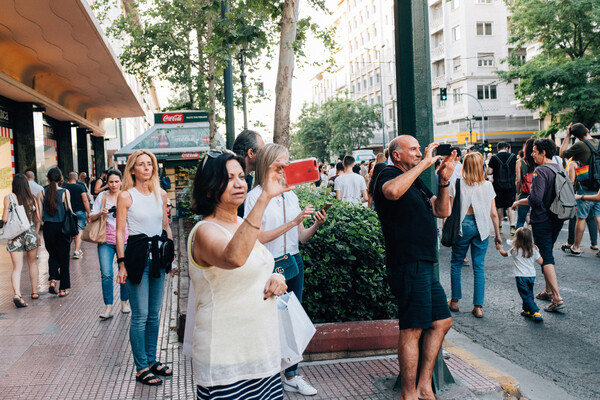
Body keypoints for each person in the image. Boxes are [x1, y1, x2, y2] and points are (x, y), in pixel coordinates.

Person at [188, 149, 289, 399]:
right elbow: (233, 258)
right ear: (210, 187)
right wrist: (264, 198)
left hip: (263, 353)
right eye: (229, 178)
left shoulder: (241, 225)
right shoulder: (204, 230)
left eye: (242, 177)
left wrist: (276, 279)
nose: (239, 183)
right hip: (226, 361)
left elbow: (254, 267)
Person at [373, 135, 457, 400]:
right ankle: (408, 395)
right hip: (407, 262)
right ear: (396, 155)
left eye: (421, 150)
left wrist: (443, 180)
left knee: (442, 321)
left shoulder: (415, 179)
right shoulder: (386, 172)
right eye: (414, 150)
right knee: (412, 329)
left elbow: (441, 211)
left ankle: (423, 385)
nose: (420, 153)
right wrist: (426, 165)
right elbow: (392, 192)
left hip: (424, 262)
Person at [244, 143, 327, 396]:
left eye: (288, 162)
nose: (286, 168)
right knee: (267, 322)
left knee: (291, 321)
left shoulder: (290, 194)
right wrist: (293, 221)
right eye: (282, 163)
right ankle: (266, 378)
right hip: (268, 268)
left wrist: (314, 224)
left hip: (294, 262)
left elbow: (300, 237)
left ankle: (292, 375)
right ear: (268, 165)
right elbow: (256, 238)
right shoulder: (254, 196)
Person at [116, 149, 174, 386]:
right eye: (141, 164)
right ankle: (141, 368)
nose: (146, 168)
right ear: (132, 169)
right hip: (137, 258)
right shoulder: (126, 196)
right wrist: (121, 264)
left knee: (153, 314)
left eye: (149, 164)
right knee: (139, 316)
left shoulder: (161, 194)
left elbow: (165, 227)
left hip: (158, 259)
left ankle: (152, 361)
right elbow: (120, 232)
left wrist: (170, 256)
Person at [511, 139, 565, 312]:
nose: (532, 155)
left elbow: (535, 198)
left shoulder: (540, 171)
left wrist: (519, 202)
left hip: (543, 219)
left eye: (535, 151)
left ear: (543, 152)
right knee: (545, 251)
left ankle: (556, 297)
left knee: (546, 256)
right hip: (558, 217)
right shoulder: (559, 168)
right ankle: (548, 290)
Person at [448, 152, 501, 318]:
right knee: (479, 266)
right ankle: (478, 307)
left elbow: (450, 211)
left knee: (456, 263)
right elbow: (493, 213)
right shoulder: (487, 186)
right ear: (481, 167)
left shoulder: (456, 183)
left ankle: (455, 301)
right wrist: (497, 235)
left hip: (462, 226)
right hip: (482, 227)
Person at [89, 169, 130, 320]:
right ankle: (108, 307)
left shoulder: (125, 195)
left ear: (121, 182)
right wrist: (101, 213)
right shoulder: (102, 196)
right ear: (107, 183)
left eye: (116, 182)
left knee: (124, 271)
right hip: (105, 241)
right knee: (106, 274)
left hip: (125, 240)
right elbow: (91, 217)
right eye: (110, 182)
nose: (113, 185)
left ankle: (124, 302)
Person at [559, 122, 600, 256]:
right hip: (598, 186)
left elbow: (562, 154)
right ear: (587, 130)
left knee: (581, 218)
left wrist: (567, 136)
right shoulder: (598, 143)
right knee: (598, 216)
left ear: (575, 136)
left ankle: (576, 247)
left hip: (585, 186)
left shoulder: (580, 145)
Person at [2, 174, 41, 307]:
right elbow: (38, 219)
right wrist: (36, 233)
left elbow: (5, 218)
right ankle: (34, 291)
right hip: (30, 234)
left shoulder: (9, 198)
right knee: (32, 263)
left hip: (15, 236)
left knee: (17, 267)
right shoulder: (32, 198)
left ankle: (17, 294)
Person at [38, 167, 72, 297]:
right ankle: (63, 289)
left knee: (52, 255)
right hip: (62, 228)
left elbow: (39, 215)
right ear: (61, 178)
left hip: (48, 228)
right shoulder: (64, 192)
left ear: (47, 178)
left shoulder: (42, 193)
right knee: (64, 258)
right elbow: (69, 210)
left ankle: (52, 280)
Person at [496, 228, 544, 322]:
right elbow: (541, 261)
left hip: (521, 277)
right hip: (531, 276)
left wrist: (500, 248)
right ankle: (526, 310)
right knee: (529, 293)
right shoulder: (533, 250)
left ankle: (535, 311)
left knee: (525, 295)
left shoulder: (515, 249)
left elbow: (504, 254)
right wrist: (538, 251)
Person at [232, 129, 265, 217]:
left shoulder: (247, 178)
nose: (265, 156)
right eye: (262, 152)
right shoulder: (231, 181)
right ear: (251, 153)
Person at [487, 142, 517, 235]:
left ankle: (499, 226)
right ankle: (512, 227)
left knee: (499, 206)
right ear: (507, 148)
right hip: (510, 185)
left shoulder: (494, 158)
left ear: (498, 148)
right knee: (510, 206)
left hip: (498, 186)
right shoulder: (513, 157)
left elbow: (489, 172)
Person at [64, 172, 91, 259]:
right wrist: (89, 212)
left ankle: (72, 250)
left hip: (68, 213)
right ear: (76, 178)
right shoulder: (80, 186)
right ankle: (76, 250)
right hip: (80, 212)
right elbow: (85, 200)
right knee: (79, 230)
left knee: (70, 231)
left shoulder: (64, 188)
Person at [515, 139, 535, 230]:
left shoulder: (520, 162)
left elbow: (518, 180)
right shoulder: (538, 161)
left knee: (520, 220)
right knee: (536, 219)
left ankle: (517, 241)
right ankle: (535, 241)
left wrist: (517, 193)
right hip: (536, 193)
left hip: (524, 193)